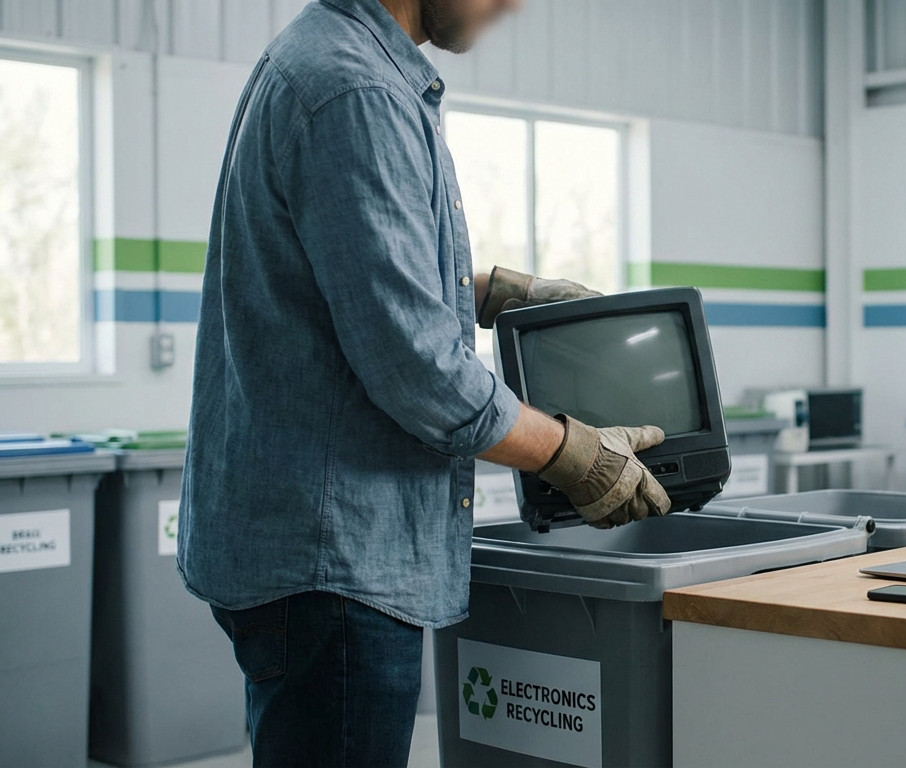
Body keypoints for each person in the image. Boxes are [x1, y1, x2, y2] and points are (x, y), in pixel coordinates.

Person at [176, 0, 671, 765]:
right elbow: (421, 371)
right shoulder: (356, 90)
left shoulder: (327, 59)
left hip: (315, 556)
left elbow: (348, 282)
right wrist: (575, 456)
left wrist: (495, 294)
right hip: (336, 562)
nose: (512, 5)